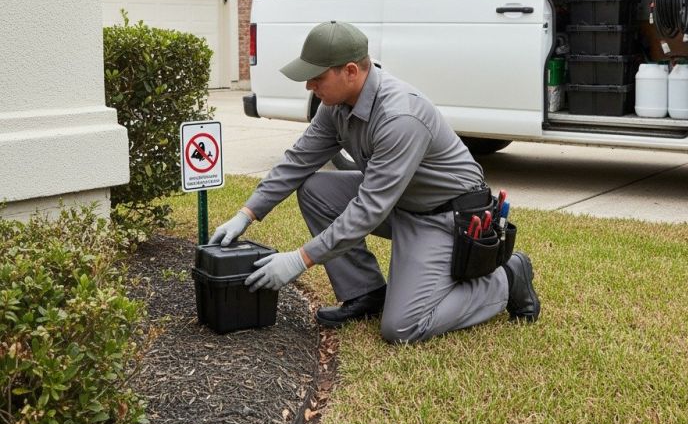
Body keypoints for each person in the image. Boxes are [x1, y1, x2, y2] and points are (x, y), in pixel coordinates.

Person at [209, 21, 540, 343]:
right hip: (402, 204)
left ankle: (507, 278)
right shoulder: (335, 105)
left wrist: (301, 259)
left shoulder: (400, 116)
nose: (310, 86)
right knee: (315, 190)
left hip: (444, 219)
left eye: (317, 78)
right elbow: (298, 160)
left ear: (351, 71)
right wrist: (247, 213)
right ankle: (364, 293)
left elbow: (368, 209)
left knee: (403, 327)